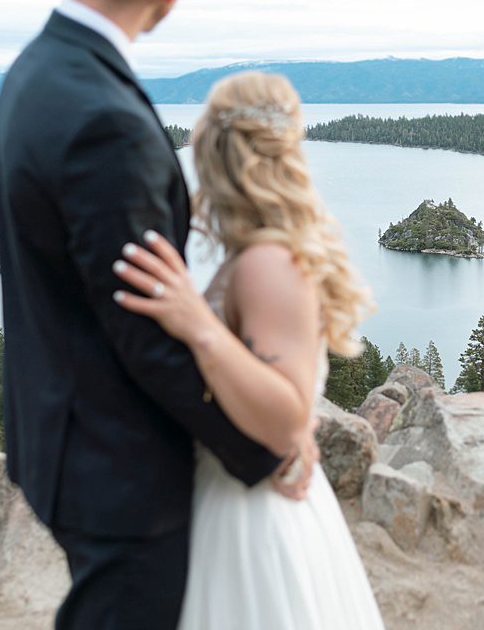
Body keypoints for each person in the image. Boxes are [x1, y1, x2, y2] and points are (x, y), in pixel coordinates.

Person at [0, 0, 316, 628]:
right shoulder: (104, 117)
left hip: (59, 438)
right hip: (118, 467)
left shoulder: (34, 72)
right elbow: (144, 326)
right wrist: (266, 449)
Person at [112, 70, 385, 629]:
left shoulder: (267, 262)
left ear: (217, 152)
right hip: (240, 495)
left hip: (253, 517)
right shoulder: (258, 255)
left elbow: (286, 418)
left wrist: (200, 327)